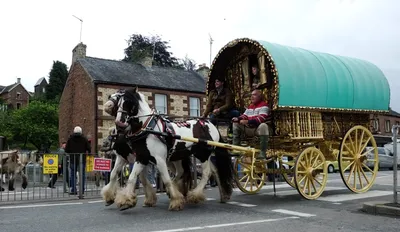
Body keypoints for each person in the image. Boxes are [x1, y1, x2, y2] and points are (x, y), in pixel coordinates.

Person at [231, 89, 271, 160]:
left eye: (254, 95)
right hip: (250, 129)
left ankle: (263, 152)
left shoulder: (264, 106)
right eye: (251, 95)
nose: (252, 97)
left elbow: (260, 119)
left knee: (263, 126)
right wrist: (238, 119)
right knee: (235, 124)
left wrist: (247, 122)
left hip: (258, 129)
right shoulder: (250, 106)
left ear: (260, 96)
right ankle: (236, 148)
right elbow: (244, 115)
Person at [65, 126, 91, 195]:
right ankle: (81, 190)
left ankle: (74, 189)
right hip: (82, 159)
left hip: (73, 159)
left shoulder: (70, 139)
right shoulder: (84, 139)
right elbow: (89, 148)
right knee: (82, 174)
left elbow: (66, 149)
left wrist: (71, 152)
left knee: (73, 175)